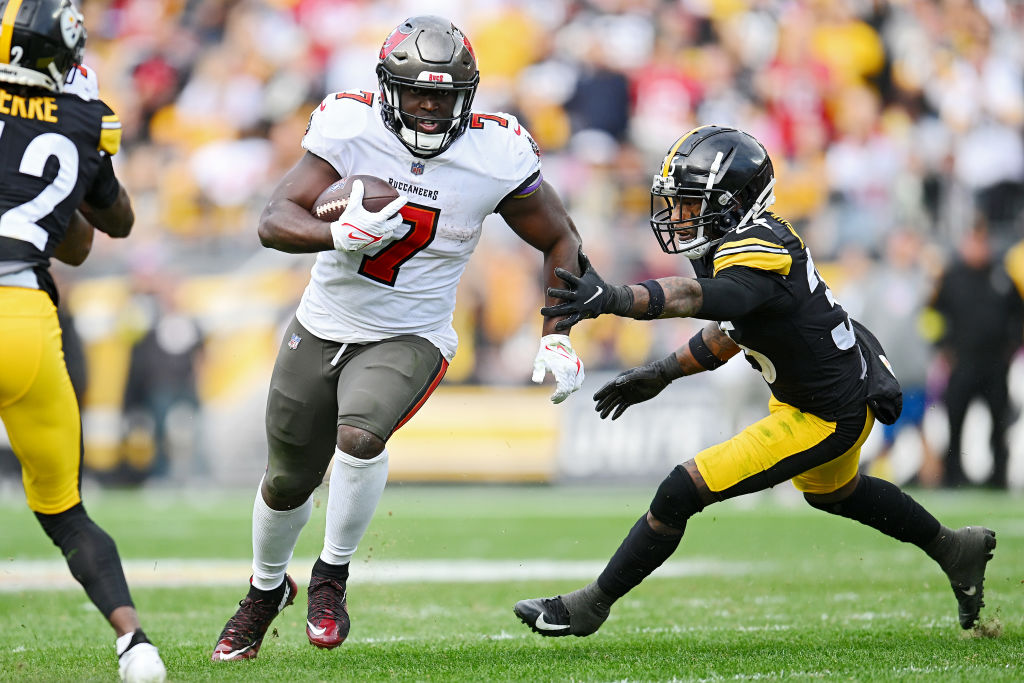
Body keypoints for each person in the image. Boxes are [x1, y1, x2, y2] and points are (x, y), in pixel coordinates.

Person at [512, 125, 997, 638]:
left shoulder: (760, 252)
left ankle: (590, 605)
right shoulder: (749, 245)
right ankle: (954, 548)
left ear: (732, 203)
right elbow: (729, 332)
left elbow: (692, 298)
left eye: (690, 203)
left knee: (681, 490)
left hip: (826, 414)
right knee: (834, 493)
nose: (676, 215)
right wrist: (659, 373)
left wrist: (613, 298)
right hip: (822, 398)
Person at [211, 15, 584, 661]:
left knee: (359, 434)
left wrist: (556, 333)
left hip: (411, 331)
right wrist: (335, 236)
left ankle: (331, 575)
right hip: (323, 321)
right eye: (417, 92)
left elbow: (560, 238)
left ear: (467, 94)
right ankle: (264, 589)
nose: (430, 107)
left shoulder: (494, 152)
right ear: (387, 89)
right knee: (286, 480)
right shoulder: (349, 127)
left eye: (443, 94)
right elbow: (274, 219)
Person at [0, 1, 167, 681]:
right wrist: (87, 154)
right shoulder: (83, 119)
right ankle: (136, 644)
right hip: (26, 323)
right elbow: (109, 228)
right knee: (65, 508)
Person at [930, 219, 1023, 489]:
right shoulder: (951, 277)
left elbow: (1019, 313)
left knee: (999, 422)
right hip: (962, 363)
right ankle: (952, 476)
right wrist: (943, 347)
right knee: (955, 421)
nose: (978, 248)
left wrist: (1012, 346)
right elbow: (932, 316)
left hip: (995, 365)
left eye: (983, 242)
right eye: (974, 241)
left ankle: (999, 476)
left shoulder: (1002, 276)